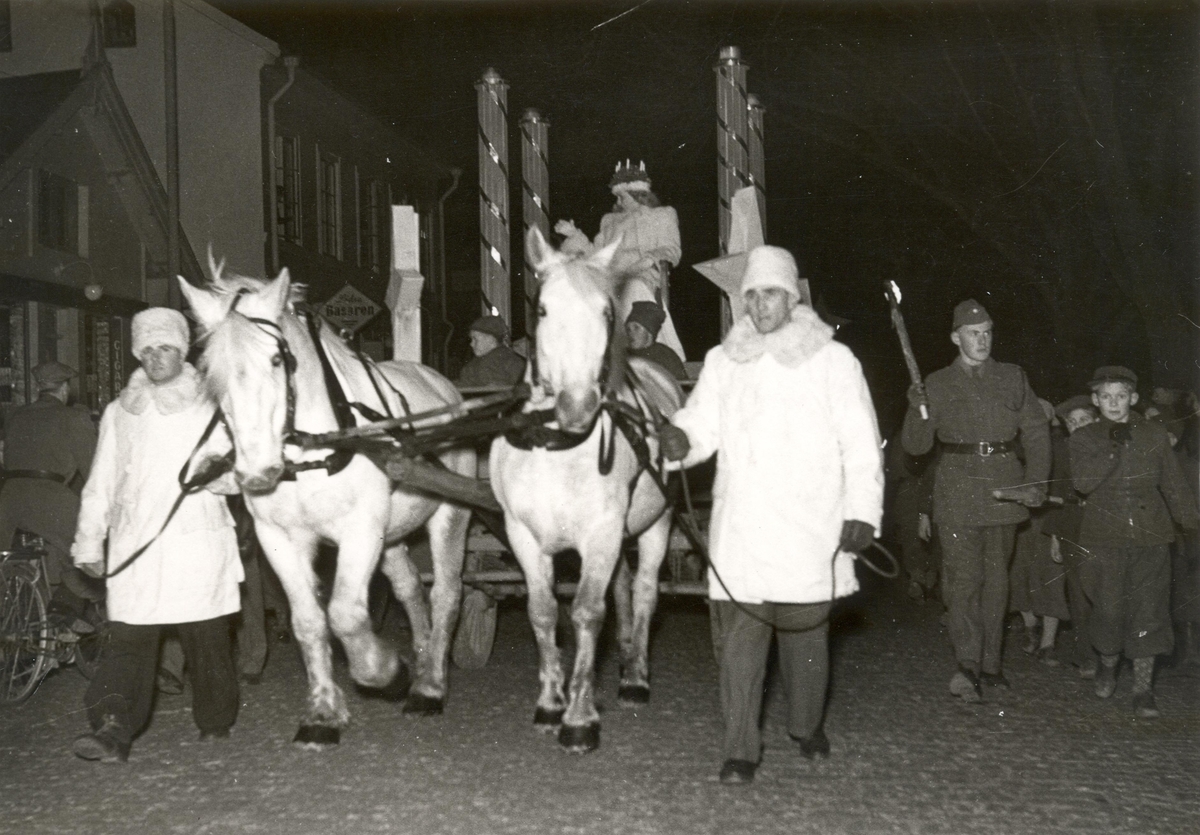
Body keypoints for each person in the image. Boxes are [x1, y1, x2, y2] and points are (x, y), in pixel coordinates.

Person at [659, 245, 883, 785]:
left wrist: (863, 512)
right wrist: (679, 439)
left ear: (792, 297)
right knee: (740, 642)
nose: (761, 305)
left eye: (771, 294)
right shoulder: (722, 360)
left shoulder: (833, 360)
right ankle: (740, 747)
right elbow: (701, 424)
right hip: (745, 523)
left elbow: (860, 443)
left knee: (805, 636)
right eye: (753, 295)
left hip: (812, 522)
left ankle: (806, 727)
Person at [70, 307, 243, 762]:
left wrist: (216, 477)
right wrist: (89, 540)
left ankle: (215, 721)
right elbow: (101, 480)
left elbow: (237, 472)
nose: (155, 357)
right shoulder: (119, 411)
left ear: (182, 351)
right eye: (146, 349)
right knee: (127, 636)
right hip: (136, 542)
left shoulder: (211, 403)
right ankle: (112, 726)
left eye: (164, 347)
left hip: (195, 538)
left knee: (205, 636)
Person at [901, 299, 1050, 702]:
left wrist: (1035, 481)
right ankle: (967, 664)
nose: (982, 340)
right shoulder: (935, 383)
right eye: (973, 333)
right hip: (958, 486)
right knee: (964, 581)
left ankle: (991, 664)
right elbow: (915, 446)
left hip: (1004, 485)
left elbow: (1036, 431)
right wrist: (916, 411)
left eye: (986, 332)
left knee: (997, 580)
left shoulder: (1012, 377)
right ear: (956, 337)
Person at [1069, 366, 1198, 717]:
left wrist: (1192, 523)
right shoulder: (1084, 438)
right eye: (1106, 396)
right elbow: (1082, 482)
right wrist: (1113, 443)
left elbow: (1173, 484)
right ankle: (1109, 665)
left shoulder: (1154, 435)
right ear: (1096, 400)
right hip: (1103, 537)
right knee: (1109, 611)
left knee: (1149, 612)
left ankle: (1143, 690)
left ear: (1134, 398)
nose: (1114, 403)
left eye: (1121, 396)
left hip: (1150, 534)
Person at [556, 160, 686, 360]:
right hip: (610, 277)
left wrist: (649, 259)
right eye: (616, 196)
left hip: (642, 275)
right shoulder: (609, 221)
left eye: (622, 196)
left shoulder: (661, 215)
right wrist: (574, 234)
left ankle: (648, 349)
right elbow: (596, 256)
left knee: (632, 287)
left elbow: (672, 249)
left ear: (638, 194)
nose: (618, 201)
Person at [0, 361, 100, 615]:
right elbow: (93, 472)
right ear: (64, 388)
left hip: (9, 501)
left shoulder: (16, 415)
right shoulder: (74, 417)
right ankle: (64, 617)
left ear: (39, 388)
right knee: (87, 552)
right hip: (49, 499)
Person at [1008, 398, 1070, 666]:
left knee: (1051, 577)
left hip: (1049, 520)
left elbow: (1064, 488)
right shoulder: (1012, 447)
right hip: (1019, 522)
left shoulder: (1059, 448)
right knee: (1018, 574)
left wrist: (1057, 530)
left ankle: (1048, 642)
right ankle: (1030, 628)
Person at [1040, 395, 1100, 677]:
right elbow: (1055, 492)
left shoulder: (1109, 447)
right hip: (1071, 525)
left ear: (1096, 420)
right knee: (1078, 593)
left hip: (1105, 527)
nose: (1077, 427)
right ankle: (1085, 655)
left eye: (1083, 421)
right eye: (1072, 423)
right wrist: (1053, 534)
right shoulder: (1062, 451)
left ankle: (1109, 652)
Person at [456, 314, 526, 389]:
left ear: (491, 340)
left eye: (475, 339)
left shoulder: (511, 362)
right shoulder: (472, 365)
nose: (471, 344)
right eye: (471, 339)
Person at [624, 301, 687, 381]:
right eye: (628, 329)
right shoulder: (622, 355)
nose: (630, 333)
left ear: (650, 332)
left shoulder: (666, 356)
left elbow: (683, 388)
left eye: (636, 327)